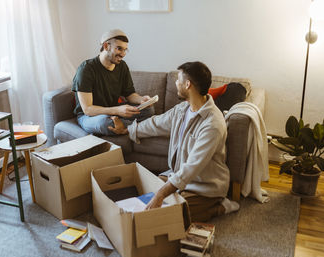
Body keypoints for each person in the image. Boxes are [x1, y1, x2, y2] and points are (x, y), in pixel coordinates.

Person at [109, 61, 239, 222]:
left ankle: (220, 206)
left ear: (187, 84)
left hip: (204, 187)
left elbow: (192, 167)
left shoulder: (212, 124)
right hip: (177, 177)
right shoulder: (183, 109)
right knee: (146, 199)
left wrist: (162, 194)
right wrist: (128, 130)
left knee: (171, 216)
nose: (175, 83)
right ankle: (174, 196)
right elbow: (156, 123)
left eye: (178, 80)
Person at [72, 29, 154, 136]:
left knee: (149, 110)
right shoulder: (86, 69)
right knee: (104, 123)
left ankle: (123, 127)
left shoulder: (122, 66)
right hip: (90, 117)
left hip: (114, 111)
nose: (123, 54)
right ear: (106, 46)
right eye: (119, 49)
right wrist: (117, 111)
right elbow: (88, 109)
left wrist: (142, 100)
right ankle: (139, 128)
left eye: (125, 50)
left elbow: (129, 94)